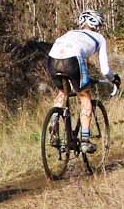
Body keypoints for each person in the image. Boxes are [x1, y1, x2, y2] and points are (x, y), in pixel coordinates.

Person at [46, 11, 119, 153]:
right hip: (72, 60)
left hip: (52, 59)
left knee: (62, 92)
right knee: (85, 97)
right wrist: (113, 79)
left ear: (81, 23)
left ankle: (54, 127)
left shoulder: (70, 33)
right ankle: (85, 140)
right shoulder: (99, 38)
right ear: (98, 25)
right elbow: (105, 70)